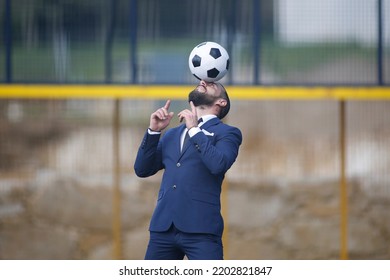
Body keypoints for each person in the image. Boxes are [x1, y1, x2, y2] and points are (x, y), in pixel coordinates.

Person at [134, 80, 242, 260]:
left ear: (221, 102)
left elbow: (218, 165)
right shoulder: (171, 134)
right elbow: (142, 169)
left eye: (211, 84)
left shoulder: (228, 133)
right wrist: (153, 132)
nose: (202, 81)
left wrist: (194, 129)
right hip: (163, 228)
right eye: (201, 80)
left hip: (201, 229)